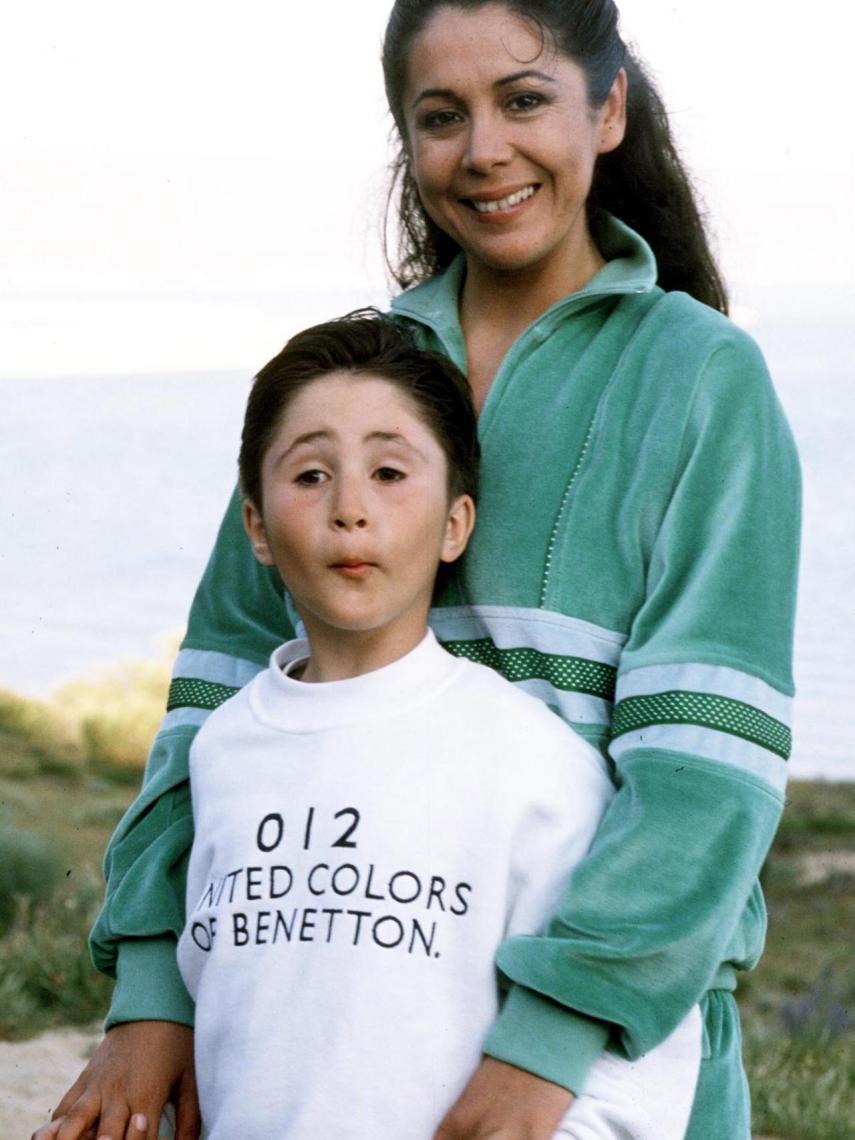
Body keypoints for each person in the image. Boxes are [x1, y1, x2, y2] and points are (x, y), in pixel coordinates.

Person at [37, 2, 801, 1139]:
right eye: (441, 116)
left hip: (592, 1064)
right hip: (327, 1021)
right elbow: (214, 706)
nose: (484, 149)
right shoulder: (352, 386)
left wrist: (544, 1044)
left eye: (525, 99)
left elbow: (705, 769)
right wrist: (153, 997)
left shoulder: (700, 379)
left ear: (609, 109)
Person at [177, 309, 702, 1138]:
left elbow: (640, 1063)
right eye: (310, 475)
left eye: (390, 472)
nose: (350, 508)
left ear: (456, 523)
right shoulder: (223, 751)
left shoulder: (525, 758)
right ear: (256, 527)